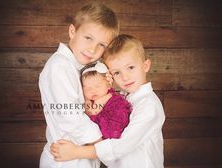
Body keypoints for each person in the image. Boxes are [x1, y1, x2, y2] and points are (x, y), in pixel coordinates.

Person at [50, 34, 166, 168]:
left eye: (131, 68)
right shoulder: (122, 97)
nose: (125, 77)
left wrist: (76, 152)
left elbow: (122, 145)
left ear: (145, 65)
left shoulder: (149, 106)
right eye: (117, 72)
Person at [39, 2, 119, 168]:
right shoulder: (59, 66)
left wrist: (104, 86)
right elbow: (70, 117)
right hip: (67, 159)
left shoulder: (80, 68)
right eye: (88, 38)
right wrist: (102, 145)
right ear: (72, 31)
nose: (92, 49)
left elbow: (91, 107)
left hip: (80, 156)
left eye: (102, 45)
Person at [80, 61, 132, 139]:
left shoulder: (115, 102)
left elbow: (93, 112)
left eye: (97, 86)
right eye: (88, 88)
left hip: (112, 137)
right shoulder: (88, 101)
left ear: (108, 85)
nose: (93, 91)